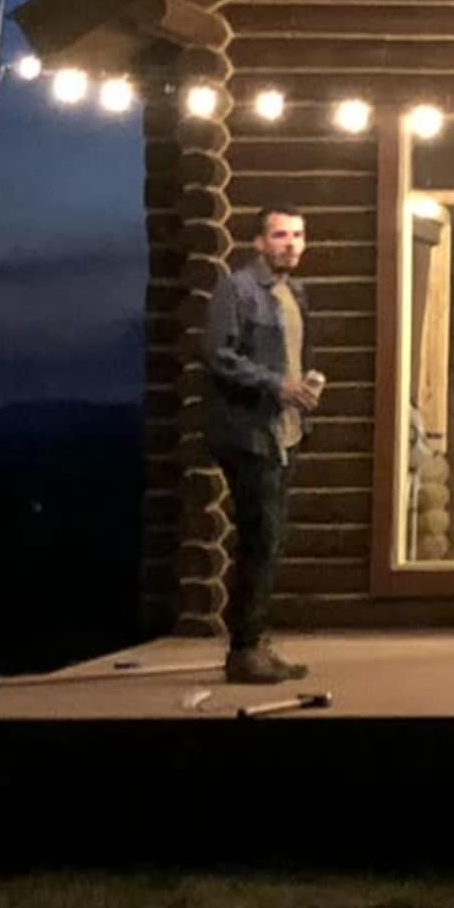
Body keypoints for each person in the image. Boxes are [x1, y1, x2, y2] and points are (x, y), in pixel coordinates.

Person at [202, 204, 326, 683]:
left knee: (271, 539)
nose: (291, 243)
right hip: (248, 433)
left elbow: (299, 353)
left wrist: (306, 386)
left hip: (284, 432)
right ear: (259, 242)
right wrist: (276, 385)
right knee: (261, 536)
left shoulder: (295, 292)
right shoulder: (238, 289)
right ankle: (244, 649)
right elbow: (217, 354)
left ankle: (256, 641)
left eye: (298, 234)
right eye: (280, 235)